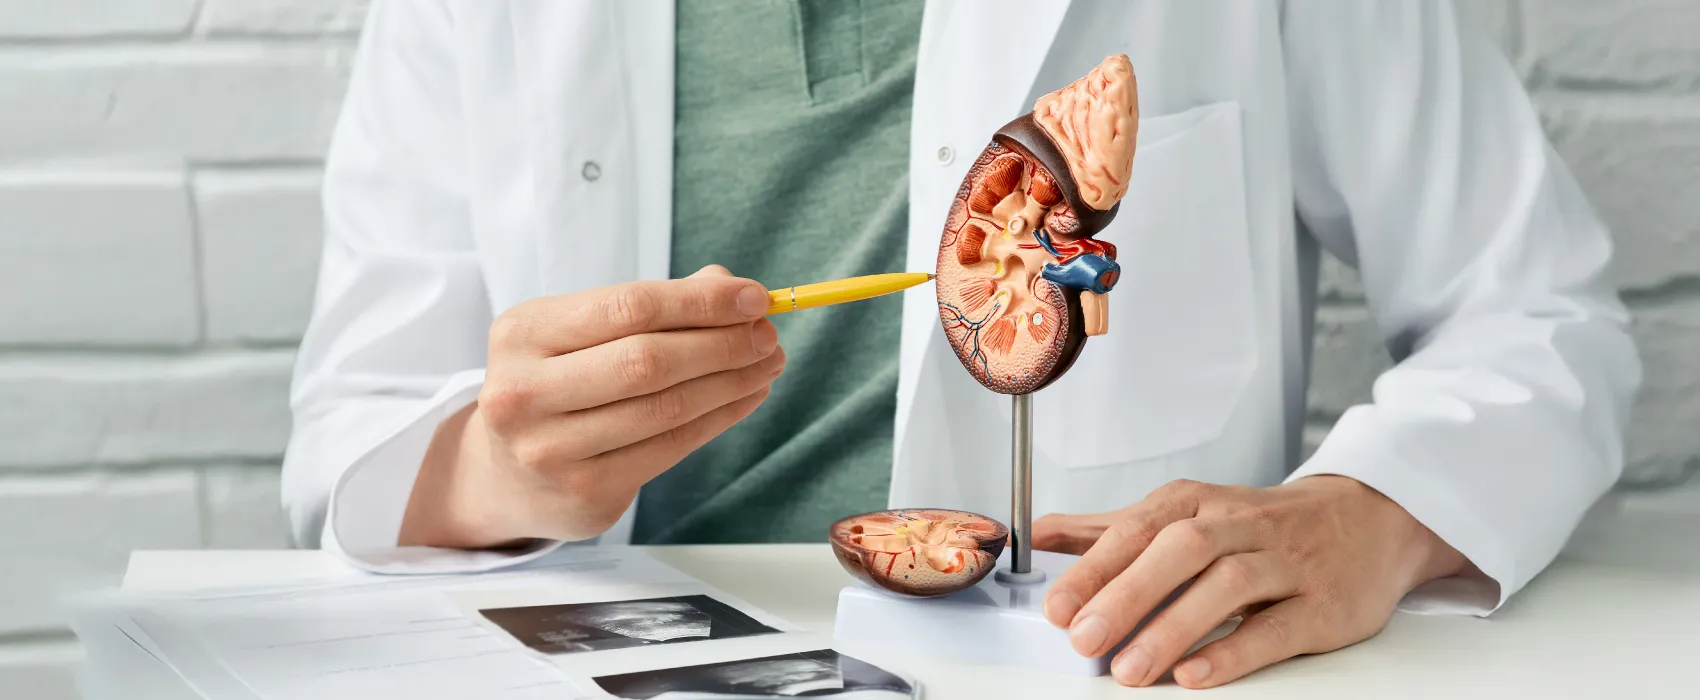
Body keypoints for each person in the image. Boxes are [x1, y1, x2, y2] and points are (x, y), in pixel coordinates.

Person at [282, 0, 1640, 689]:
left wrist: (1373, 520)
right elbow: (357, 427)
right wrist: (502, 469)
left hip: (1103, 668)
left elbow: (1535, 311)